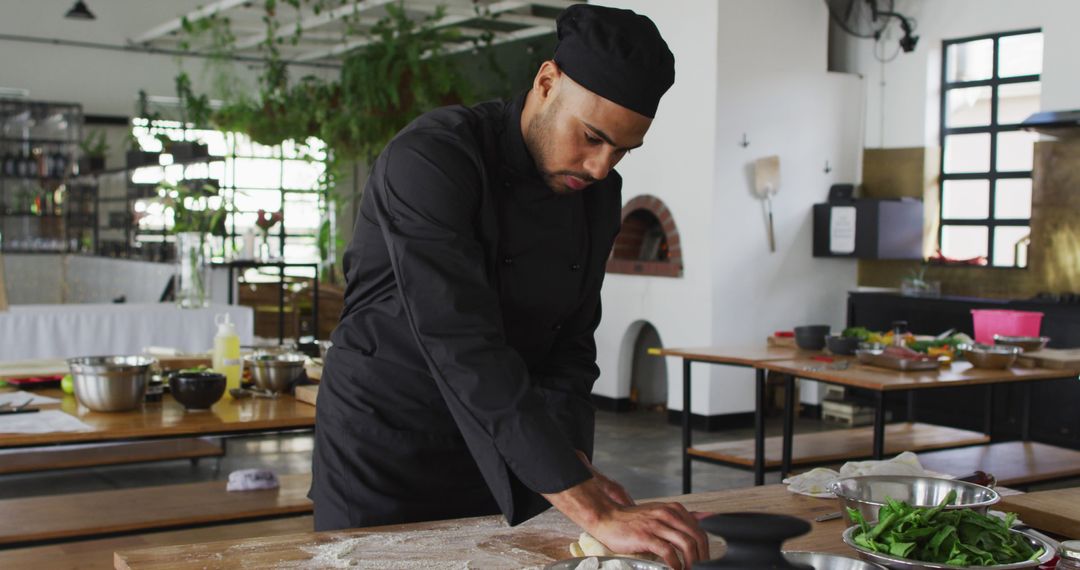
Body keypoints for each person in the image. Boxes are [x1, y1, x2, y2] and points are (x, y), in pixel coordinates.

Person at [310, 4, 708, 567]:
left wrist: (572, 466)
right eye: (592, 137)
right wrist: (588, 507)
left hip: (504, 446)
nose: (600, 167)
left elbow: (572, 341)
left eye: (621, 150)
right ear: (547, 82)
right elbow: (460, 340)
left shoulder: (596, 194)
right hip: (389, 445)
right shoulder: (432, 160)